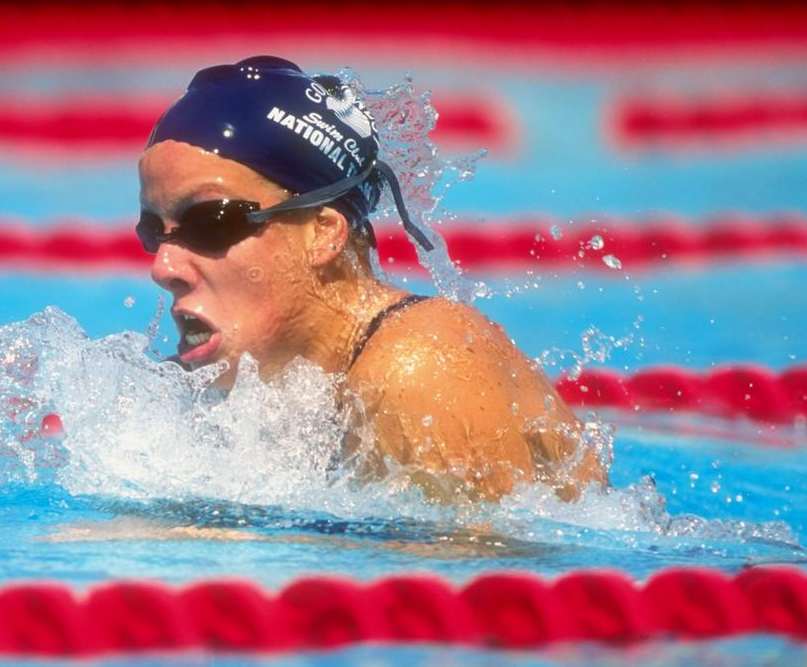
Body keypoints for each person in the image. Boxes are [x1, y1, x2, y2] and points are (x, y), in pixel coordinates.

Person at [137, 56, 606, 503]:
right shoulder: (247, 389)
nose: (165, 268)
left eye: (211, 222)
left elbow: (483, 582)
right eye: (154, 232)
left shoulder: (418, 372)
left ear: (323, 234)